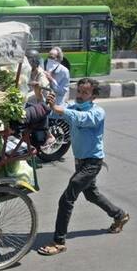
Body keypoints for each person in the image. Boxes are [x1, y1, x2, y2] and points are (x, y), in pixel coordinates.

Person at [37, 78, 130, 256]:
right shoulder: (73, 107)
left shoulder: (97, 112)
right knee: (91, 194)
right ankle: (119, 215)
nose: (80, 95)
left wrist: (60, 109)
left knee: (66, 199)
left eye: (85, 93)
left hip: (93, 162)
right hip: (80, 161)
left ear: (93, 96)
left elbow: (81, 119)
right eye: (79, 91)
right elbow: (54, 114)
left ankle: (59, 242)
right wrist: (43, 99)